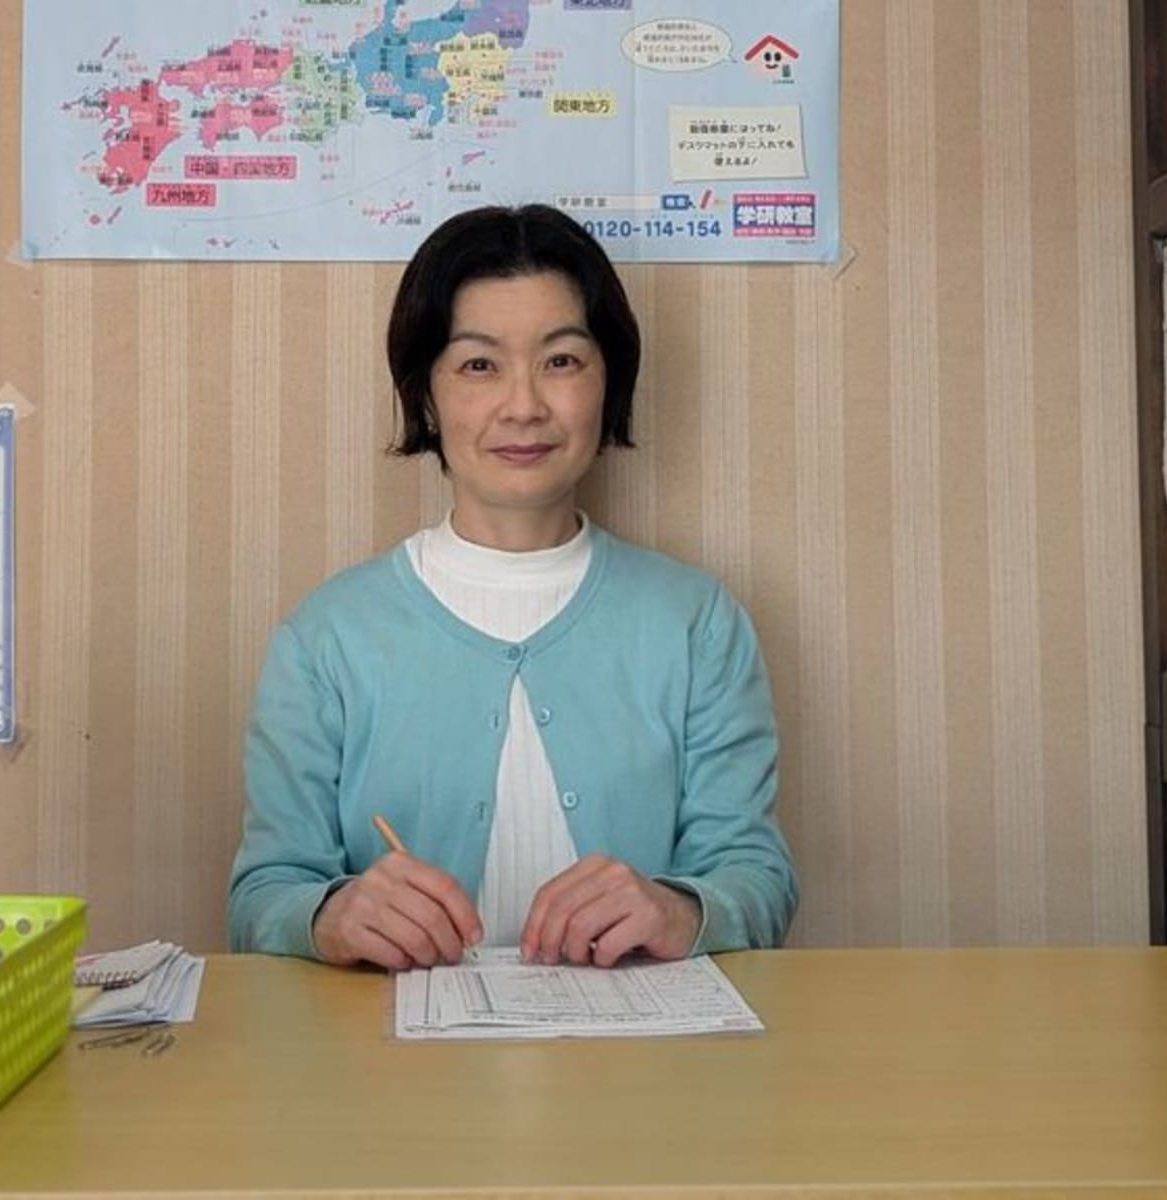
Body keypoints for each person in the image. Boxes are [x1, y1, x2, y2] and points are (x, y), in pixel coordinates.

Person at [227, 204, 796, 969]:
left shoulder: (696, 621)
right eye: (478, 365)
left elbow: (756, 878)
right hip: (389, 1044)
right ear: (424, 395)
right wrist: (327, 915)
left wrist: (681, 908)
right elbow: (261, 897)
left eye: (561, 361)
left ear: (609, 383)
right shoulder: (327, 636)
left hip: (645, 1042)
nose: (523, 406)